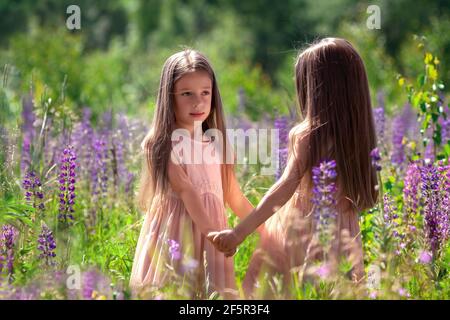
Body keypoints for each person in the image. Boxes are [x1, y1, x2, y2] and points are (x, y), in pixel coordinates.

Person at [208, 38, 379, 298]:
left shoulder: (307, 135)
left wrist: (238, 232)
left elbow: (284, 188)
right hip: (343, 235)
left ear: (317, 91)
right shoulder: (359, 134)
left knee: (281, 292)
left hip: (302, 232)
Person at [129, 49, 270, 299]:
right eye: (186, 94)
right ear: (168, 97)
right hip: (178, 236)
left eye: (205, 93)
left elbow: (234, 197)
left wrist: (265, 231)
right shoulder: (162, 143)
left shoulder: (217, 143)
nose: (198, 102)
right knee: (177, 292)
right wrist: (211, 234)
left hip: (213, 237)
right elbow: (186, 190)